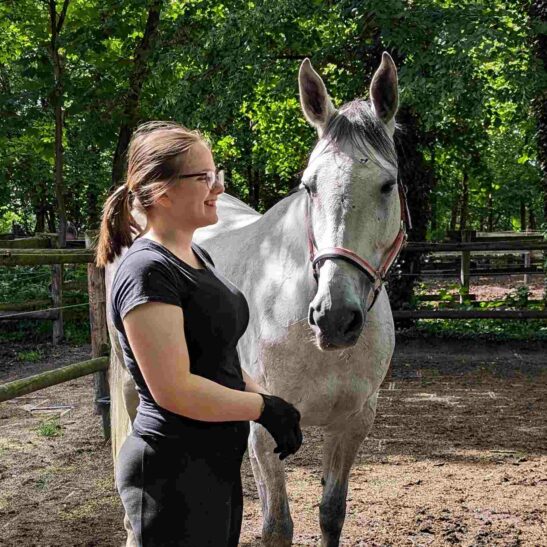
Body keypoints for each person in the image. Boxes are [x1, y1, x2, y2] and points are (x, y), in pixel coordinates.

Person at [96, 121, 303, 547]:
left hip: (214, 465)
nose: (219, 189)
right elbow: (175, 390)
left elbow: (220, 351)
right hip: (171, 472)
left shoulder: (196, 255)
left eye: (218, 174)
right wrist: (262, 408)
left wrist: (268, 401)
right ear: (162, 191)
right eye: (205, 177)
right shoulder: (146, 271)